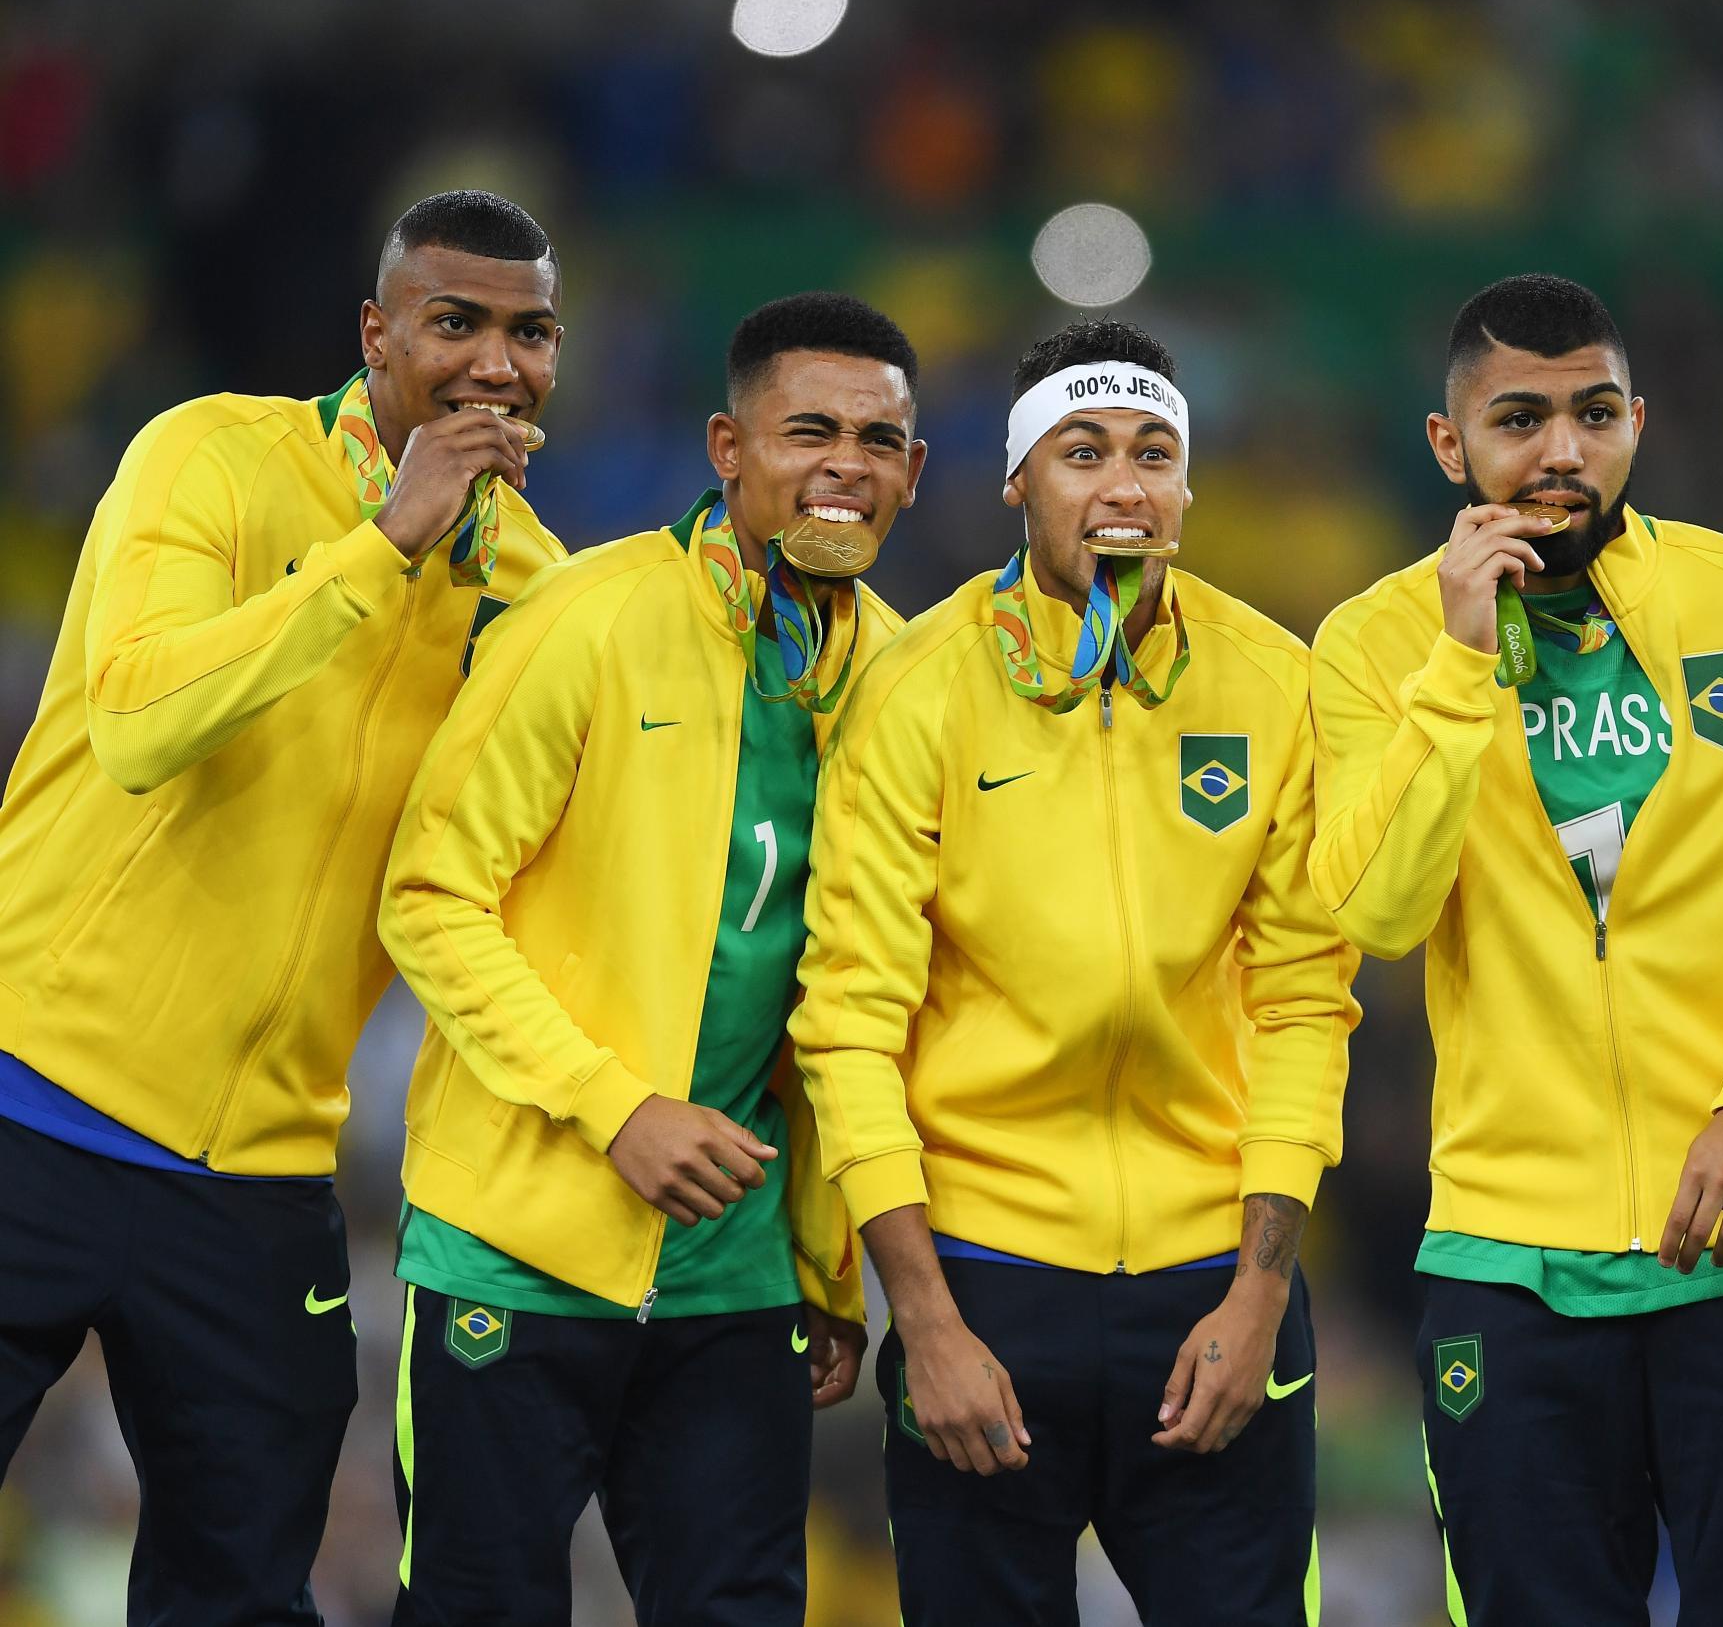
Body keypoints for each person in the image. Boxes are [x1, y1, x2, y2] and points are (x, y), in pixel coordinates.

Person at [0, 188, 565, 1622]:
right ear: (377, 336)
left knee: (244, 1592)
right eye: (457, 324)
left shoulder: (535, 596)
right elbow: (136, 720)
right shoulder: (211, 456)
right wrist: (382, 549)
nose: (496, 362)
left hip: (259, 1177)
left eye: (529, 333)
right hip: (32, 1099)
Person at [1309, 274, 1723, 1624]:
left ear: (1640, 422)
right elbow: (1377, 912)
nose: (1560, 452)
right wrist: (1458, 664)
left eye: (1594, 414)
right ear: (1451, 447)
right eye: (1518, 419)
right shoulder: (1370, 644)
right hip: (1508, 1259)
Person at [790, 317, 1358, 1626]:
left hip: (1213, 1282)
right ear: (1016, 482)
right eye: (1082, 450)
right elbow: (850, 1020)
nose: (1122, 484)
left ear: (1188, 485)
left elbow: (1303, 1004)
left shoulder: (1278, 685)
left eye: (1154, 451)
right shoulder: (916, 689)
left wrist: (1260, 1287)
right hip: (986, 1283)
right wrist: (923, 1320)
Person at [379, 293, 921, 1625]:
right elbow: (431, 898)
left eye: (879, 438)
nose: (845, 463)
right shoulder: (585, 616)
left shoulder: (911, 679)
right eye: (810, 430)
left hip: (739, 1277)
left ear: (916, 469)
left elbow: (867, 998)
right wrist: (615, 1108)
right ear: (728, 447)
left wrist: (831, 1257)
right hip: (514, 1249)